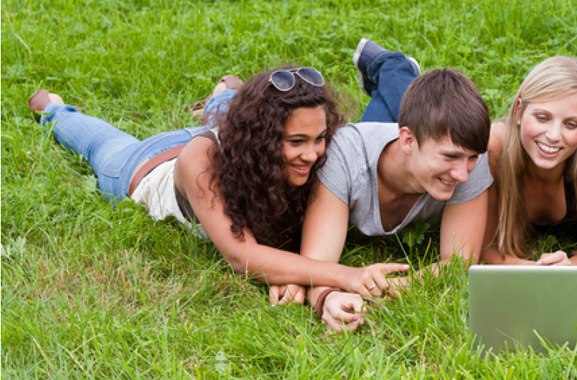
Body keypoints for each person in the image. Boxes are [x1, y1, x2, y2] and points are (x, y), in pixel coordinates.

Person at [28, 67, 411, 307]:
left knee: (226, 115)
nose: (312, 154)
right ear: (262, 137)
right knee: (100, 147)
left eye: (319, 137)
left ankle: (226, 92)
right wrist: (345, 275)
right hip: (148, 165)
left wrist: (296, 275)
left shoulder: (310, 151)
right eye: (296, 142)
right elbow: (241, 255)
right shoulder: (203, 160)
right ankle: (55, 110)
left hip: (227, 136)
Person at [296, 39, 493, 333]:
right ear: (408, 140)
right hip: (367, 149)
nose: (463, 174)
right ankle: (393, 66)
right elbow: (314, 265)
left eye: (471, 159)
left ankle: (390, 68)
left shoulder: (469, 159)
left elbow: (458, 263)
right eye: (450, 156)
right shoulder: (345, 156)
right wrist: (329, 298)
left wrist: (400, 285)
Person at [480, 38, 577, 266]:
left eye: (571, 124)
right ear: (519, 111)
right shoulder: (492, 151)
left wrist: (569, 266)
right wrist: (541, 271)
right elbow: (487, 250)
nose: (553, 135)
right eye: (542, 118)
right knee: (576, 100)